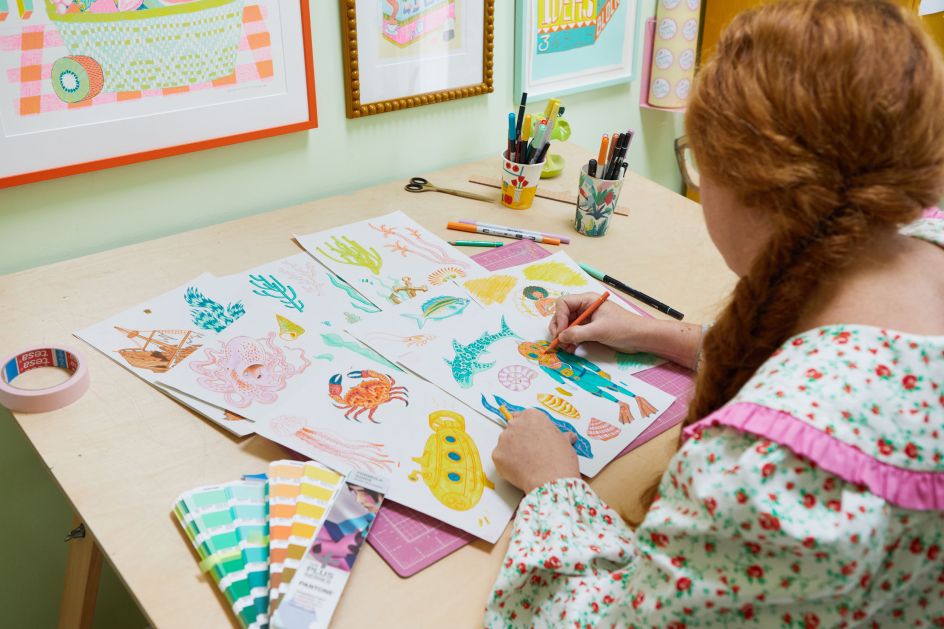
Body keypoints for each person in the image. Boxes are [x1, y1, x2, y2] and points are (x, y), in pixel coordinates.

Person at [486, 1, 944, 626]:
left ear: (749, 184)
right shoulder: (921, 235)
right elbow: (836, 356)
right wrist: (656, 334)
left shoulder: (771, 472)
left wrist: (552, 486)